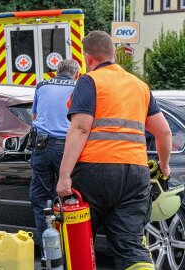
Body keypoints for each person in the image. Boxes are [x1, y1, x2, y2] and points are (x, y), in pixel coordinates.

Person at [56, 31, 172, 270]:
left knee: (80, 244)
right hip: (136, 174)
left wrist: (64, 175)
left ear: (89, 59)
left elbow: (79, 129)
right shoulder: (140, 86)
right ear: (114, 54)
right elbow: (164, 132)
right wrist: (164, 166)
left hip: (94, 172)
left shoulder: (89, 81)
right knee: (131, 246)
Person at [29, 59, 80, 258]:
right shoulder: (79, 86)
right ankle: (71, 250)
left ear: (56, 72)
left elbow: (34, 118)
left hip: (41, 147)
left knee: (42, 200)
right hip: (67, 148)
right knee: (70, 197)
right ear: (76, 74)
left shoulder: (42, 85)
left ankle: (48, 253)